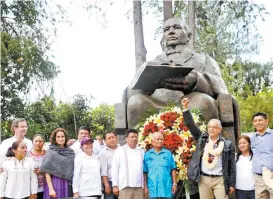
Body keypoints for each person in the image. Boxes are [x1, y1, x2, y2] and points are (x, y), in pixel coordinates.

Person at [123, 17, 230, 129]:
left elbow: (221, 87)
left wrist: (196, 80)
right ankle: (142, 145)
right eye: (166, 29)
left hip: (191, 104)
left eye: (177, 27)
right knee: (135, 103)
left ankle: (205, 145)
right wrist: (145, 86)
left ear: (189, 36)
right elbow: (130, 93)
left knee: (204, 102)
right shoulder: (150, 64)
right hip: (156, 106)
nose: (171, 31)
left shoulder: (204, 60)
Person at [181, 98, 236, 199]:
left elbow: (232, 165)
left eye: (214, 127)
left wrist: (232, 184)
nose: (211, 129)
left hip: (220, 180)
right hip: (204, 179)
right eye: (209, 127)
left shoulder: (227, 144)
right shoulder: (202, 138)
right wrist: (185, 108)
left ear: (220, 129)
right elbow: (190, 125)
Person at [40, 128, 75, 199]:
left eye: (62, 136)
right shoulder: (51, 152)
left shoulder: (70, 152)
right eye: (58, 137)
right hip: (54, 183)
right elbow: (47, 172)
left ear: (65, 138)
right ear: (54, 138)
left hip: (66, 183)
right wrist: (51, 189)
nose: (60, 138)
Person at [111, 128, 144, 199]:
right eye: (132, 137)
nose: (134, 139)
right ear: (126, 139)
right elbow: (114, 169)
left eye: (136, 137)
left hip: (139, 188)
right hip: (124, 187)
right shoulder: (120, 150)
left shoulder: (141, 151)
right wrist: (115, 185)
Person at [143, 131, 177, 199]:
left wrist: (174, 183)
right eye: (158, 139)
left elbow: (173, 169)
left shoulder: (168, 153)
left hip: (166, 187)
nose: (160, 141)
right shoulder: (147, 155)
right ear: (152, 141)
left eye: (161, 139)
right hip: (152, 188)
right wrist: (145, 187)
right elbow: (145, 172)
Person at [251, 112, 273, 199]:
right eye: (255, 121)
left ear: (267, 121)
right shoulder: (252, 138)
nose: (258, 122)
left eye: (260, 120)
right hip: (258, 177)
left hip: (271, 176)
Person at [99, 130, 119, 199]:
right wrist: (106, 185)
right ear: (105, 141)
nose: (112, 139)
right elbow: (103, 170)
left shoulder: (122, 150)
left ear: (116, 138)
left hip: (122, 182)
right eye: (109, 138)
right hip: (110, 182)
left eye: (113, 137)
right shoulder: (103, 153)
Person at [28, 134, 47, 199]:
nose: (38, 143)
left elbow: (53, 170)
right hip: (30, 189)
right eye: (36, 141)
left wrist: (41, 172)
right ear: (32, 142)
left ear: (43, 143)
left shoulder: (48, 155)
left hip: (45, 188)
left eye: (40, 141)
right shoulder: (27, 155)